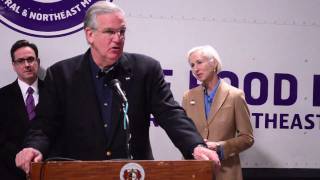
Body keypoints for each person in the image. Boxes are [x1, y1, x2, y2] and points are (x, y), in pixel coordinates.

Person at [15, 1, 220, 174]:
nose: (118, 39)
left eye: (122, 32)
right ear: (90, 35)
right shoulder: (61, 75)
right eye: (110, 32)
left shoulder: (146, 69)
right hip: (80, 174)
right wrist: (33, 147)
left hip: (132, 172)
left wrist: (195, 145)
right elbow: (44, 124)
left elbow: (170, 113)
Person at [182, 45, 254, 180]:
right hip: (193, 171)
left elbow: (247, 138)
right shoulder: (188, 96)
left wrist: (220, 147)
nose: (195, 69)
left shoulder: (235, 96)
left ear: (214, 62)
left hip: (225, 172)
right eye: (192, 65)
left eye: (199, 62)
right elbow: (183, 133)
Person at [0, 40, 44, 180]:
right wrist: (23, 161)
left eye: (30, 59)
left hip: (47, 170)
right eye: (20, 61)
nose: (27, 65)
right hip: (11, 172)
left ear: (37, 61)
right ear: (14, 65)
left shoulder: (53, 92)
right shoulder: (2, 97)